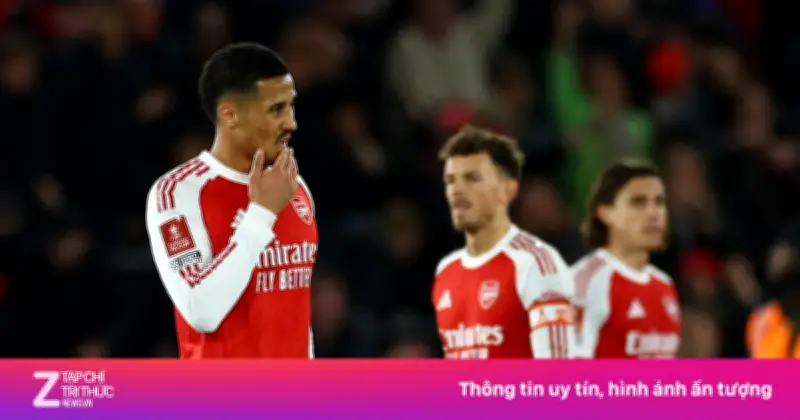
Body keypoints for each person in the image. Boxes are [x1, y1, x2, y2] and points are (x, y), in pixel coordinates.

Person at [145, 43, 317, 359]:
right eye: (276, 109)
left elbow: (295, 310)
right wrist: (262, 213)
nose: (291, 123)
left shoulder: (293, 185)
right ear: (230, 115)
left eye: (291, 106)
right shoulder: (176, 194)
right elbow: (201, 310)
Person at [432, 126, 575, 359]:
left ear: (508, 191)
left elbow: (557, 371)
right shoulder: (446, 271)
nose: (457, 190)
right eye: (450, 181)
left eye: (472, 179)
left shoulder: (535, 263)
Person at [571, 159, 681, 358]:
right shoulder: (587, 281)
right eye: (638, 203)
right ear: (605, 213)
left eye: (659, 202)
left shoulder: (665, 285)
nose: (653, 214)